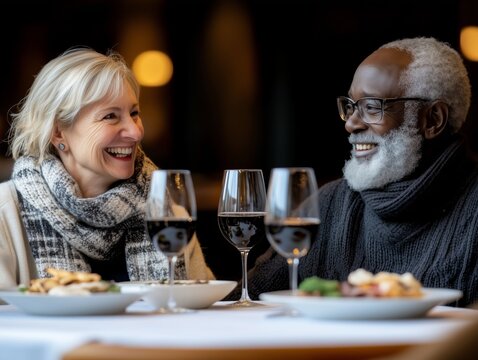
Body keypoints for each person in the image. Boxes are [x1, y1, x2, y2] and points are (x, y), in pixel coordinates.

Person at [236, 37, 478, 307]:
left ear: (433, 119)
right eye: (351, 107)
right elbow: (246, 302)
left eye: (372, 107)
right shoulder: (329, 204)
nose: (351, 124)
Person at [0, 47, 214, 288]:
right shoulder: (5, 213)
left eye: (134, 113)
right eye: (110, 116)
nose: (135, 132)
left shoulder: (167, 214)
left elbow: (198, 310)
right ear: (58, 132)